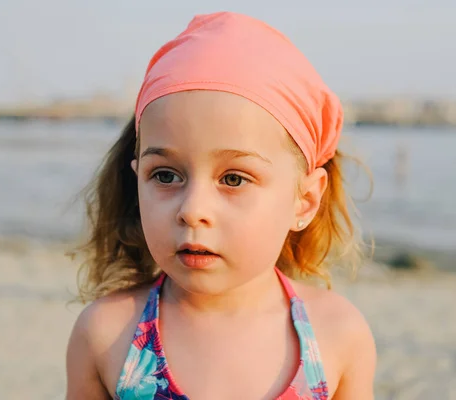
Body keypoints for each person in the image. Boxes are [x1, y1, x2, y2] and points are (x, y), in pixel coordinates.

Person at [66, 12, 376, 400]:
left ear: (305, 200)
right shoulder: (107, 335)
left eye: (233, 179)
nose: (193, 210)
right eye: (165, 175)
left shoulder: (338, 334)